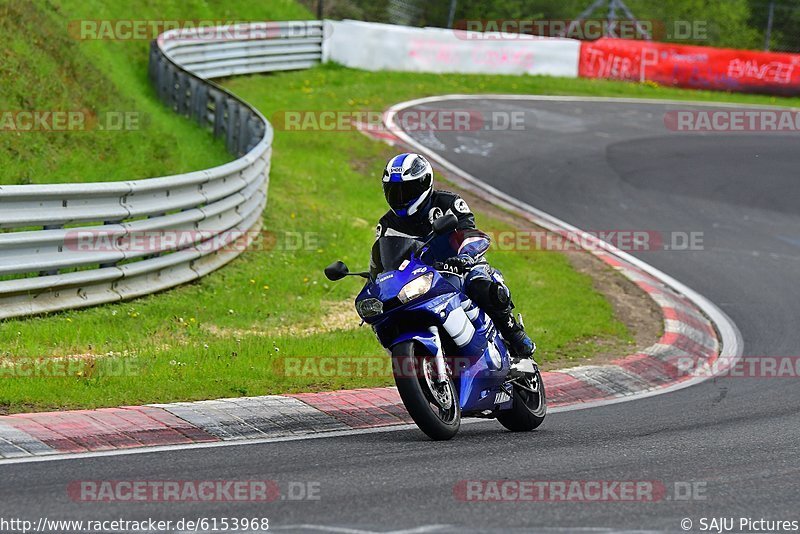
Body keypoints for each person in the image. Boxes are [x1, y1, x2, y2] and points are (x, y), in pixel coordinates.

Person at [372, 152, 535, 361]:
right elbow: (383, 258)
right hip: (420, 279)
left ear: (425, 184)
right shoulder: (387, 224)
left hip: (462, 266)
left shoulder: (448, 202)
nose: (401, 198)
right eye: (395, 192)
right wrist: (376, 280)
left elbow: (469, 232)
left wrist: (466, 256)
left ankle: (513, 333)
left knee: (481, 286)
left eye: (408, 190)